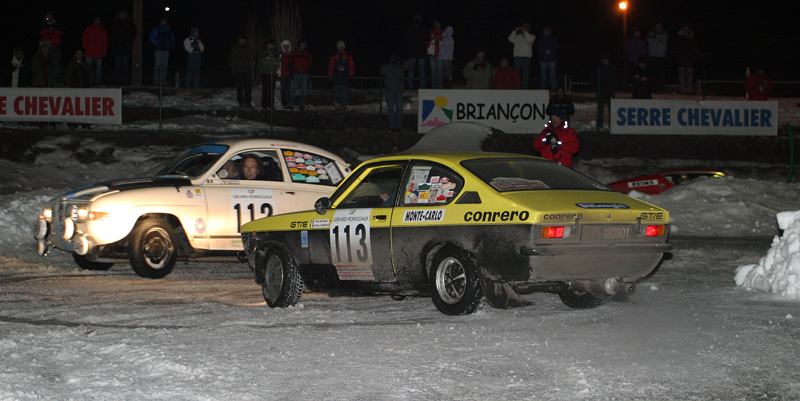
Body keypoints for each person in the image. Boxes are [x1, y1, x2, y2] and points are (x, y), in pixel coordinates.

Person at [592, 53, 620, 132]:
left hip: (609, 93)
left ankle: (612, 124)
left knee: (611, 110)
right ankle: (599, 125)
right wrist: (597, 88)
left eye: (607, 59)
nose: (606, 61)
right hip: (601, 93)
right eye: (604, 59)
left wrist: (613, 89)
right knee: (600, 110)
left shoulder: (612, 69)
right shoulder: (599, 68)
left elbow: (616, 79)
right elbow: (594, 79)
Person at [110, 10, 136, 85]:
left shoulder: (129, 24)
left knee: (125, 65)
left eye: (123, 14)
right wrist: (114, 44)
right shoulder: (116, 24)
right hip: (117, 48)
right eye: (121, 15)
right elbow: (112, 35)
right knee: (118, 65)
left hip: (126, 48)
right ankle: (118, 80)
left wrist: (128, 42)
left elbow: (133, 34)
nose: (122, 16)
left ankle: (125, 80)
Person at [230, 35, 256, 109]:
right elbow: (233, 58)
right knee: (239, 88)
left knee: (248, 88)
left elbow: (252, 55)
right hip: (238, 71)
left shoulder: (249, 48)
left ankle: (248, 102)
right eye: (241, 40)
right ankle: (241, 102)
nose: (242, 41)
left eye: (244, 40)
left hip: (247, 71)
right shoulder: (235, 49)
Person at [328, 40, 354, 113]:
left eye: (342, 47)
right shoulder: (334, 56)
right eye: (340, 47)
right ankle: (337, 108)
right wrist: (330, 77)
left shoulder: (348, 56)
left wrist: (351, 77)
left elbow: (352, 67)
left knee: (344, 95)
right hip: (336, 79)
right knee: (337, 95)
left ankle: (343, 108)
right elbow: (330, 67)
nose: (341, 48)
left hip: (345, 79)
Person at [382, 55, 406, 131]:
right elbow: (383, 72)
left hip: (399, 91)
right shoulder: (387, 67)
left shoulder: (400, 67)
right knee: (391, 110)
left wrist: (402, 62)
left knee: (399, 109)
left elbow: (410, 63)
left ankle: (398, 126)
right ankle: (392, 127)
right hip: (390, 91)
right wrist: (390, 64)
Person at [404, 14, 428, 89]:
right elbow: (428, 37)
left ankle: (410, 86)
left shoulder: (410, 29)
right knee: (422, 70)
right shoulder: (423, 28)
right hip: (422, 52)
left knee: (411, 70)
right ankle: (422, 86)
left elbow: (406, 38)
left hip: (412, 53)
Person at [39, 13, 64, 86]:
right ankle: (45, 81)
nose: (48, 19)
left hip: (55, 47)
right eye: (47, 18)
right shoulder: (44, 26)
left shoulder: (56, 27)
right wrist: (45, 23)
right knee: (44, 65)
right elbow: (40, 32)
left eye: (50, 18)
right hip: (45, 47)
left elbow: (62, 32)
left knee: (55, 65)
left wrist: (54, 23)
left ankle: (55, 82)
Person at [508, 22, 535, 89]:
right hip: (518, 57)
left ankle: (525, 88)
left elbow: (530, 40)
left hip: (526, 57)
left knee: (525, 74)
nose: (524, 27)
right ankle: (517, 87)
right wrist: (515, 31)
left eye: (526, 26)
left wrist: (525, 32)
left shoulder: (531, 36)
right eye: (523, 26)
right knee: (517, 74)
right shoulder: (517, 36)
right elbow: (510, 39)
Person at [81, 17, 107, 85]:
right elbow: (84, 39)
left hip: (99, 53)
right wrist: (86, 48)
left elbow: (105, 42)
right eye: (96, 21)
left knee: (98, 69)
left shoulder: (103, 31)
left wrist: (104, 51)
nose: (97, 22)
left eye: (99, 21)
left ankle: (97, 82)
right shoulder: (89, 29)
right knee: (88, 69)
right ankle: (88, 81)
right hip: (89, 52)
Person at [673, 25, 699, 94]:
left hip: (690, 60)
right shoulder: (680, 39)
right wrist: (680, 36)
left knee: (689, 75)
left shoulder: (692, 39)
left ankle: (688, 89)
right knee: (681, 75)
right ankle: (682, 89)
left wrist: (691, 56)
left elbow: (695, 49)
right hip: (681, 60)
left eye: (686, 29)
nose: (685, 31)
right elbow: (676, 47)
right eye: (684, 29)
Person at [149, 18, 175, 85]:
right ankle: (156, 81)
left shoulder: (169, 30)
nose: (164, 22)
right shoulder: (157, 29)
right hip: (159, 50)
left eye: (165, 21)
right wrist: (158, 44)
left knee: (164, 66)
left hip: (166, 50)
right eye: (163, 21)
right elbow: (152, 38)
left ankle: (163, 81)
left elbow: (172, 38)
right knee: (157, 66)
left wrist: (170, 45)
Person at [288, 40, 312, 111]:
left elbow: (310, 65)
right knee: (292, 90)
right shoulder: (294, 53)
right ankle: (290, 105)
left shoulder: (308, 54)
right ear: (300, 45)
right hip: (295, 73)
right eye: (302, 43)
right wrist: (291, 73)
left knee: (304, 91)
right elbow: (290, 63)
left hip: (304, 74)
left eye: (304, 43)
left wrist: (309, 74)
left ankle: (302, 105)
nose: (304, 45)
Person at [647, 22, 668, 93]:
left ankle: (661, 88)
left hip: (661, 56)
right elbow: (649, 40)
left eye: (660, 25)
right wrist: (659, 39)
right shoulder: (650, 33)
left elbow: (664, 38)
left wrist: (656, 38)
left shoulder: (665, 33)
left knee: (661, 74)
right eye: (657, 25)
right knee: (653, 73)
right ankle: (653, 88)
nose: (659, 26)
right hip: (653, 56)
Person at [258, 41, 279, 109]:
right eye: (269, 44)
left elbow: (278, 61)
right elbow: (263, 62)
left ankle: (271, 104)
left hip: (273, 73)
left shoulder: (276, 53)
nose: (270, 46)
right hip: (265, 73)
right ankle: (264, 104)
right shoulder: (263, 53)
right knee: (265, 89)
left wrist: (270, 60)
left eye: (271, 44)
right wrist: (272, 62)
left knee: (272, 90)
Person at [537, 26, 558, 90]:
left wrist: (550, 51)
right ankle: (542, 88)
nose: (547, 32)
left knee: (552, 75)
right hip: (543, 60)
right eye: (546, 30)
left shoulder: (553, 39)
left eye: (548, 30)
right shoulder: (541, 39)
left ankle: (554, 88)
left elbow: (556, 47)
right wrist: (544, 51)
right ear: (543, 31)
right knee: (543, 75)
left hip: (552, 60)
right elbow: (539, 48)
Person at [427, 21, 444, 89]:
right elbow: (427, 41)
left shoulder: (443, 33)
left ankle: (439, 86)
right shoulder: (431, 32)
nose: (437, 25)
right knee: (433, 71)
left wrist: (439, 39)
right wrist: (434, 39)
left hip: (440, 55)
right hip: (432, 55)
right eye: (435, 24)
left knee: (440, 71)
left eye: (438, 24)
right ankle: (434, 86)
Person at [278, 40, 292, 109]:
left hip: (289, 74)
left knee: (289, 89)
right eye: (285, 46)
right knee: (283, 89)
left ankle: (289, 103)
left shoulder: (291, 55)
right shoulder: (280, 55)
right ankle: (284, 103)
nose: (286, 48)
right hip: (282, 74)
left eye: (287, 46)